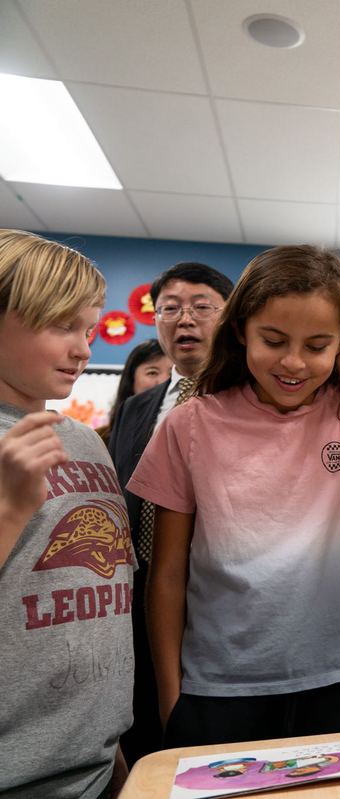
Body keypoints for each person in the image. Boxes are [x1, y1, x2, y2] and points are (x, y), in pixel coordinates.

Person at [127, 245, 340, 747]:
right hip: (220, 686)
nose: (293, 362)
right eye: (273, 340)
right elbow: (166, 574)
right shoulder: (190, 424)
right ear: (240, 331)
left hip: (337, 679)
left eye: (317, 345)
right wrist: (171, 697)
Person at [0, 229, 134, 798]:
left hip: (95, 764)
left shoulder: (82, 439)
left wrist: (113, 746)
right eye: (61, 327)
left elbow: (98, 586)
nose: (83, 349)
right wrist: (9, 508)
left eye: (89, 328)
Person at [107, 261, 234, 766]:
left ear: (230, 318)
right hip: (137, 600)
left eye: (202, 307)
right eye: (170, 309)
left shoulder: (249, 405)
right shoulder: (139, 409)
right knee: (149, 740)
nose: (186, 320)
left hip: (218, 601)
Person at [95, 339, 170, 443]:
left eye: (172, 373)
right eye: (152, 373)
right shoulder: (99, 440)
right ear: (131, 380)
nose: (164, 381)